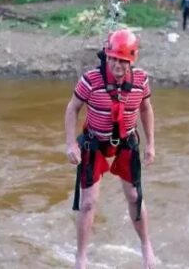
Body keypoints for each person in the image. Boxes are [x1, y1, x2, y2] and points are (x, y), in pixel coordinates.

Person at [64, 29, 156, 268]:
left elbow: (146, 109)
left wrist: (151, 145)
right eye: (113, 58)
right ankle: (81, 257)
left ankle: (146, 248)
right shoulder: (90, 80)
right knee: (88, 203)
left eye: (122, 60)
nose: (117, 64)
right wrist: (71, 143)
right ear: (107, 56)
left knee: (135, 197)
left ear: (132, 60)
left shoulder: (141, 81)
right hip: (95, 144)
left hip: (127, 144)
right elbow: (72, 108)